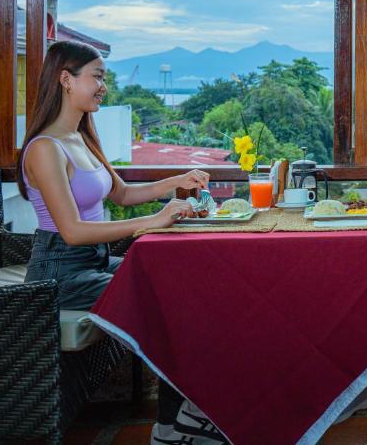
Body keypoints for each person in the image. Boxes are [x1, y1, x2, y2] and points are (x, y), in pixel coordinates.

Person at [16, 40, 225, 445]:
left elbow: (123, 194)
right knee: (168, 299)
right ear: (66, 79)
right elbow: (72, 231)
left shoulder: (81, 137)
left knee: (184, 279)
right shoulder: (44, 148)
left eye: (104, 78)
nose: (103, 87)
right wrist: (153, 221)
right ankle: (174, 425)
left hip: (93, 261)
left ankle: (184, 413)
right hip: (60, 273)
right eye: (97, 77)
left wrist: (177, 181)